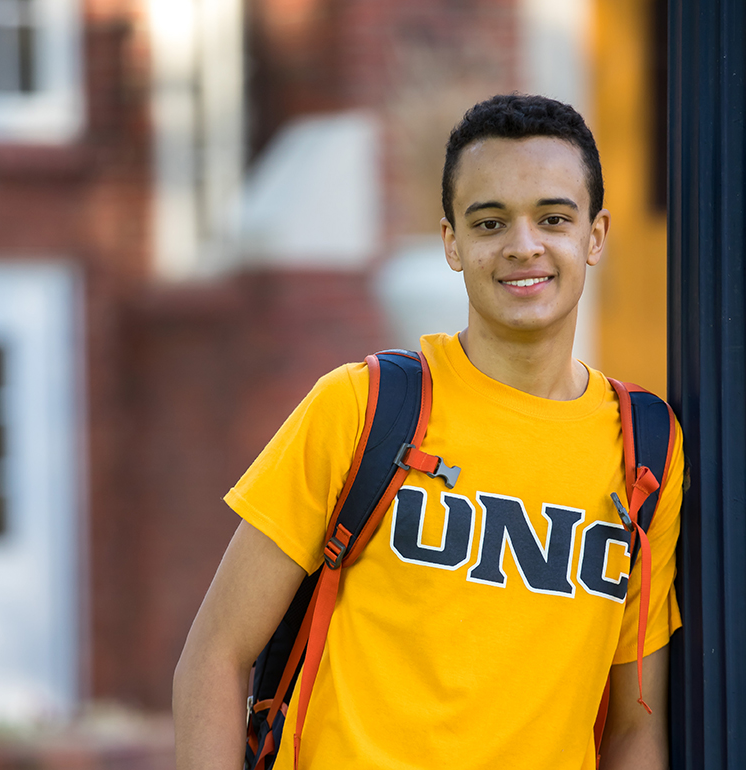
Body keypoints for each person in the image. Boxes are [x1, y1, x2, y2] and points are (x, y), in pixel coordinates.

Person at [172, 93, 683, 770]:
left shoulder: (644, 448)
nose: (524, 245)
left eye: (554, 218)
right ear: (452, 242)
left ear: (595, 235)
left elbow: (634, 726)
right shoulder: (362, 406)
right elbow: (214, 657)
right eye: (490, 221)